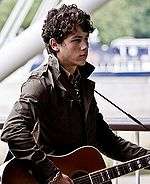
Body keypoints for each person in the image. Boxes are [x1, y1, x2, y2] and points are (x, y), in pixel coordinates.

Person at [1, 4, 150, 184]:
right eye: (76, 40)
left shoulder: (81, 84)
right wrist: (52, 174)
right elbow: (13, 130)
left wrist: (147, 157)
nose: (85, 46)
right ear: (55, 44)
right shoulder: (40, 83)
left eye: (86, 39)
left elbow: (106, 139)